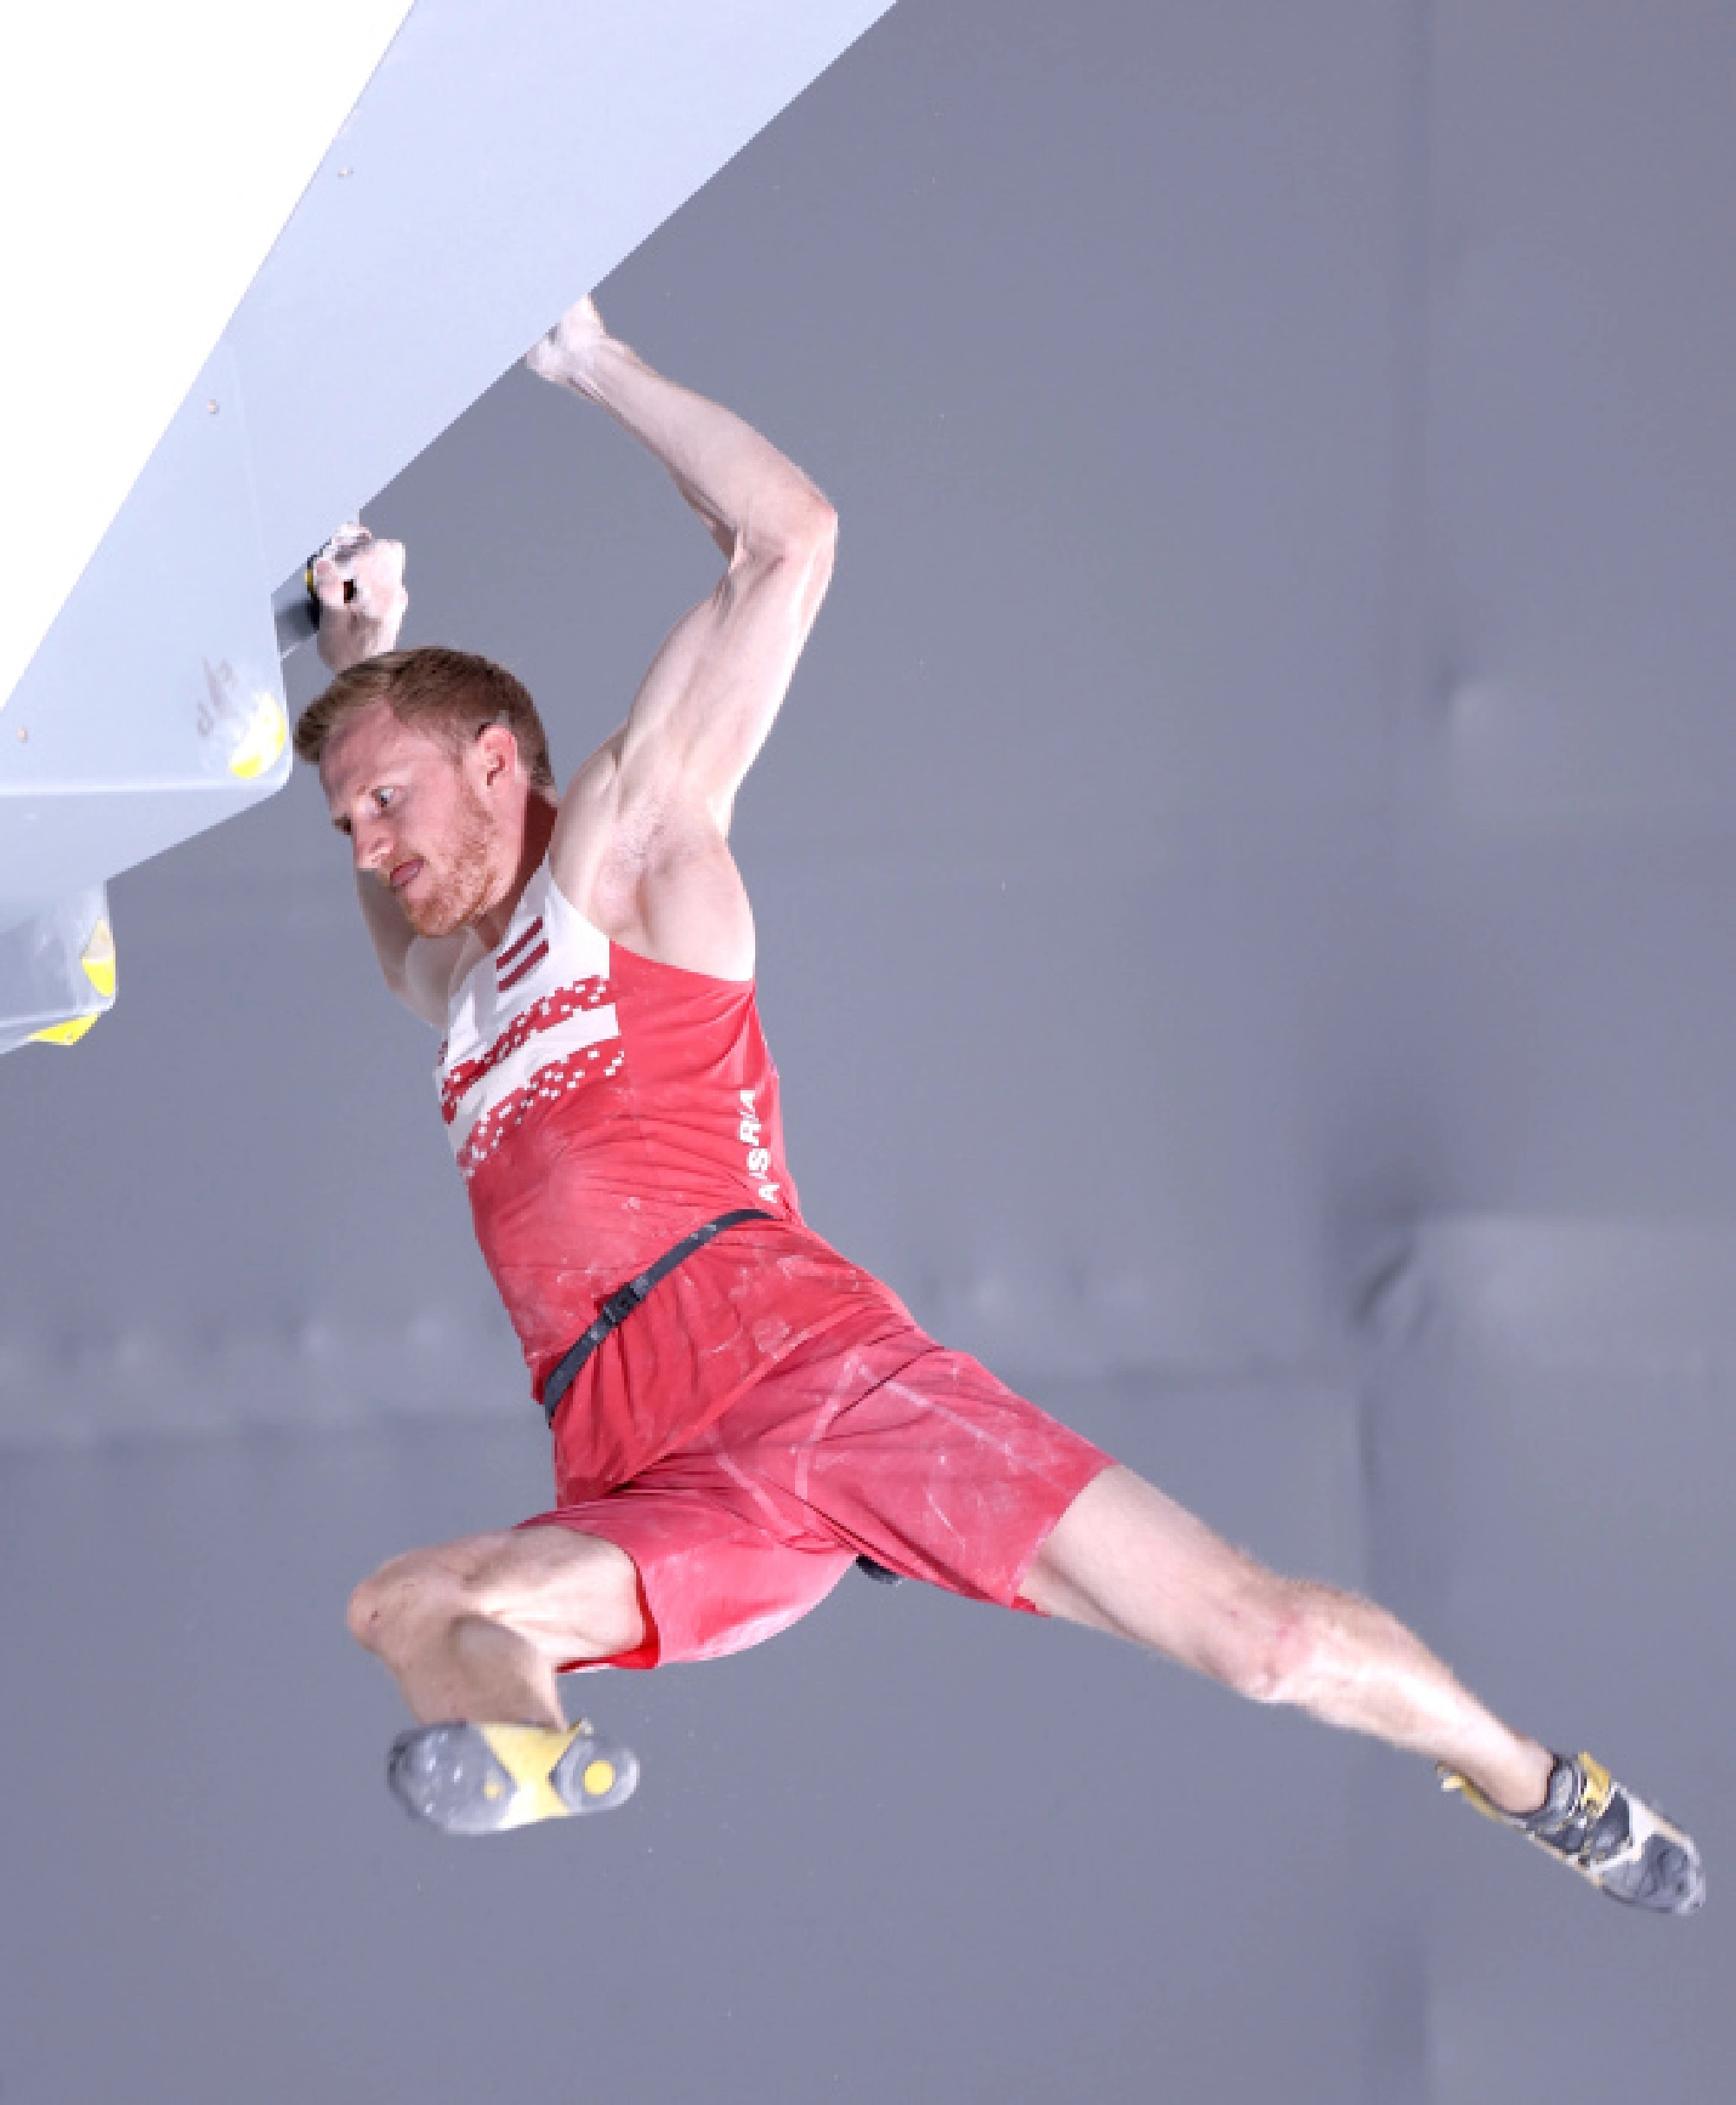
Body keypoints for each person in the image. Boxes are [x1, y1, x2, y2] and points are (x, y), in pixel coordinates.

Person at [293, 295, 1702, 1912]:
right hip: (645, 1472)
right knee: (407, 1606)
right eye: (346, 830)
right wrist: (364, 654)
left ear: (498, 761)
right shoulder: (452, 994)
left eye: (387, 807)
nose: (372, 855)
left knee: (1267, 1645)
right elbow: (401, 892)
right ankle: (540, 1757)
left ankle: (1546, 1788)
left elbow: (790, 538)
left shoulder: (631, 854)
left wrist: (583, 356)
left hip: (810, 1379)